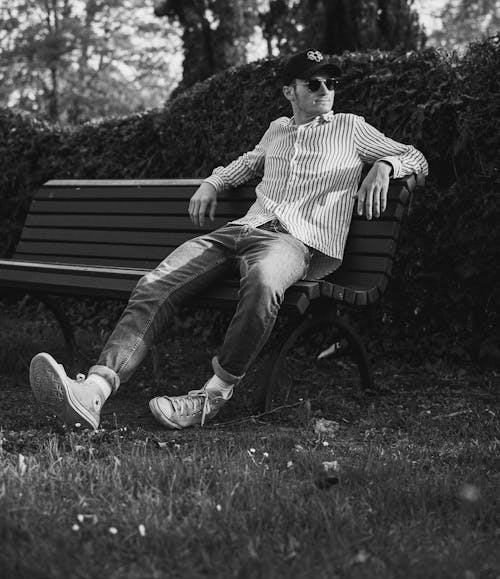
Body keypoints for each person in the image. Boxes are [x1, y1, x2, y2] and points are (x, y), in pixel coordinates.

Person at [29, 48, 428, 431]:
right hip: (239, 230)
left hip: (292, 242)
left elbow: (416, 157)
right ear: (290, 91)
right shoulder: (278, 129)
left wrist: (385, 165)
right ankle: (94, 392)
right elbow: (250, 162)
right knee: (156, 283)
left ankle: (212, 396)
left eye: (331, 82)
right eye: (313, 83)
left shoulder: (351, 128)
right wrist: (213, 181)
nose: (325, 89)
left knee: (264, 284)